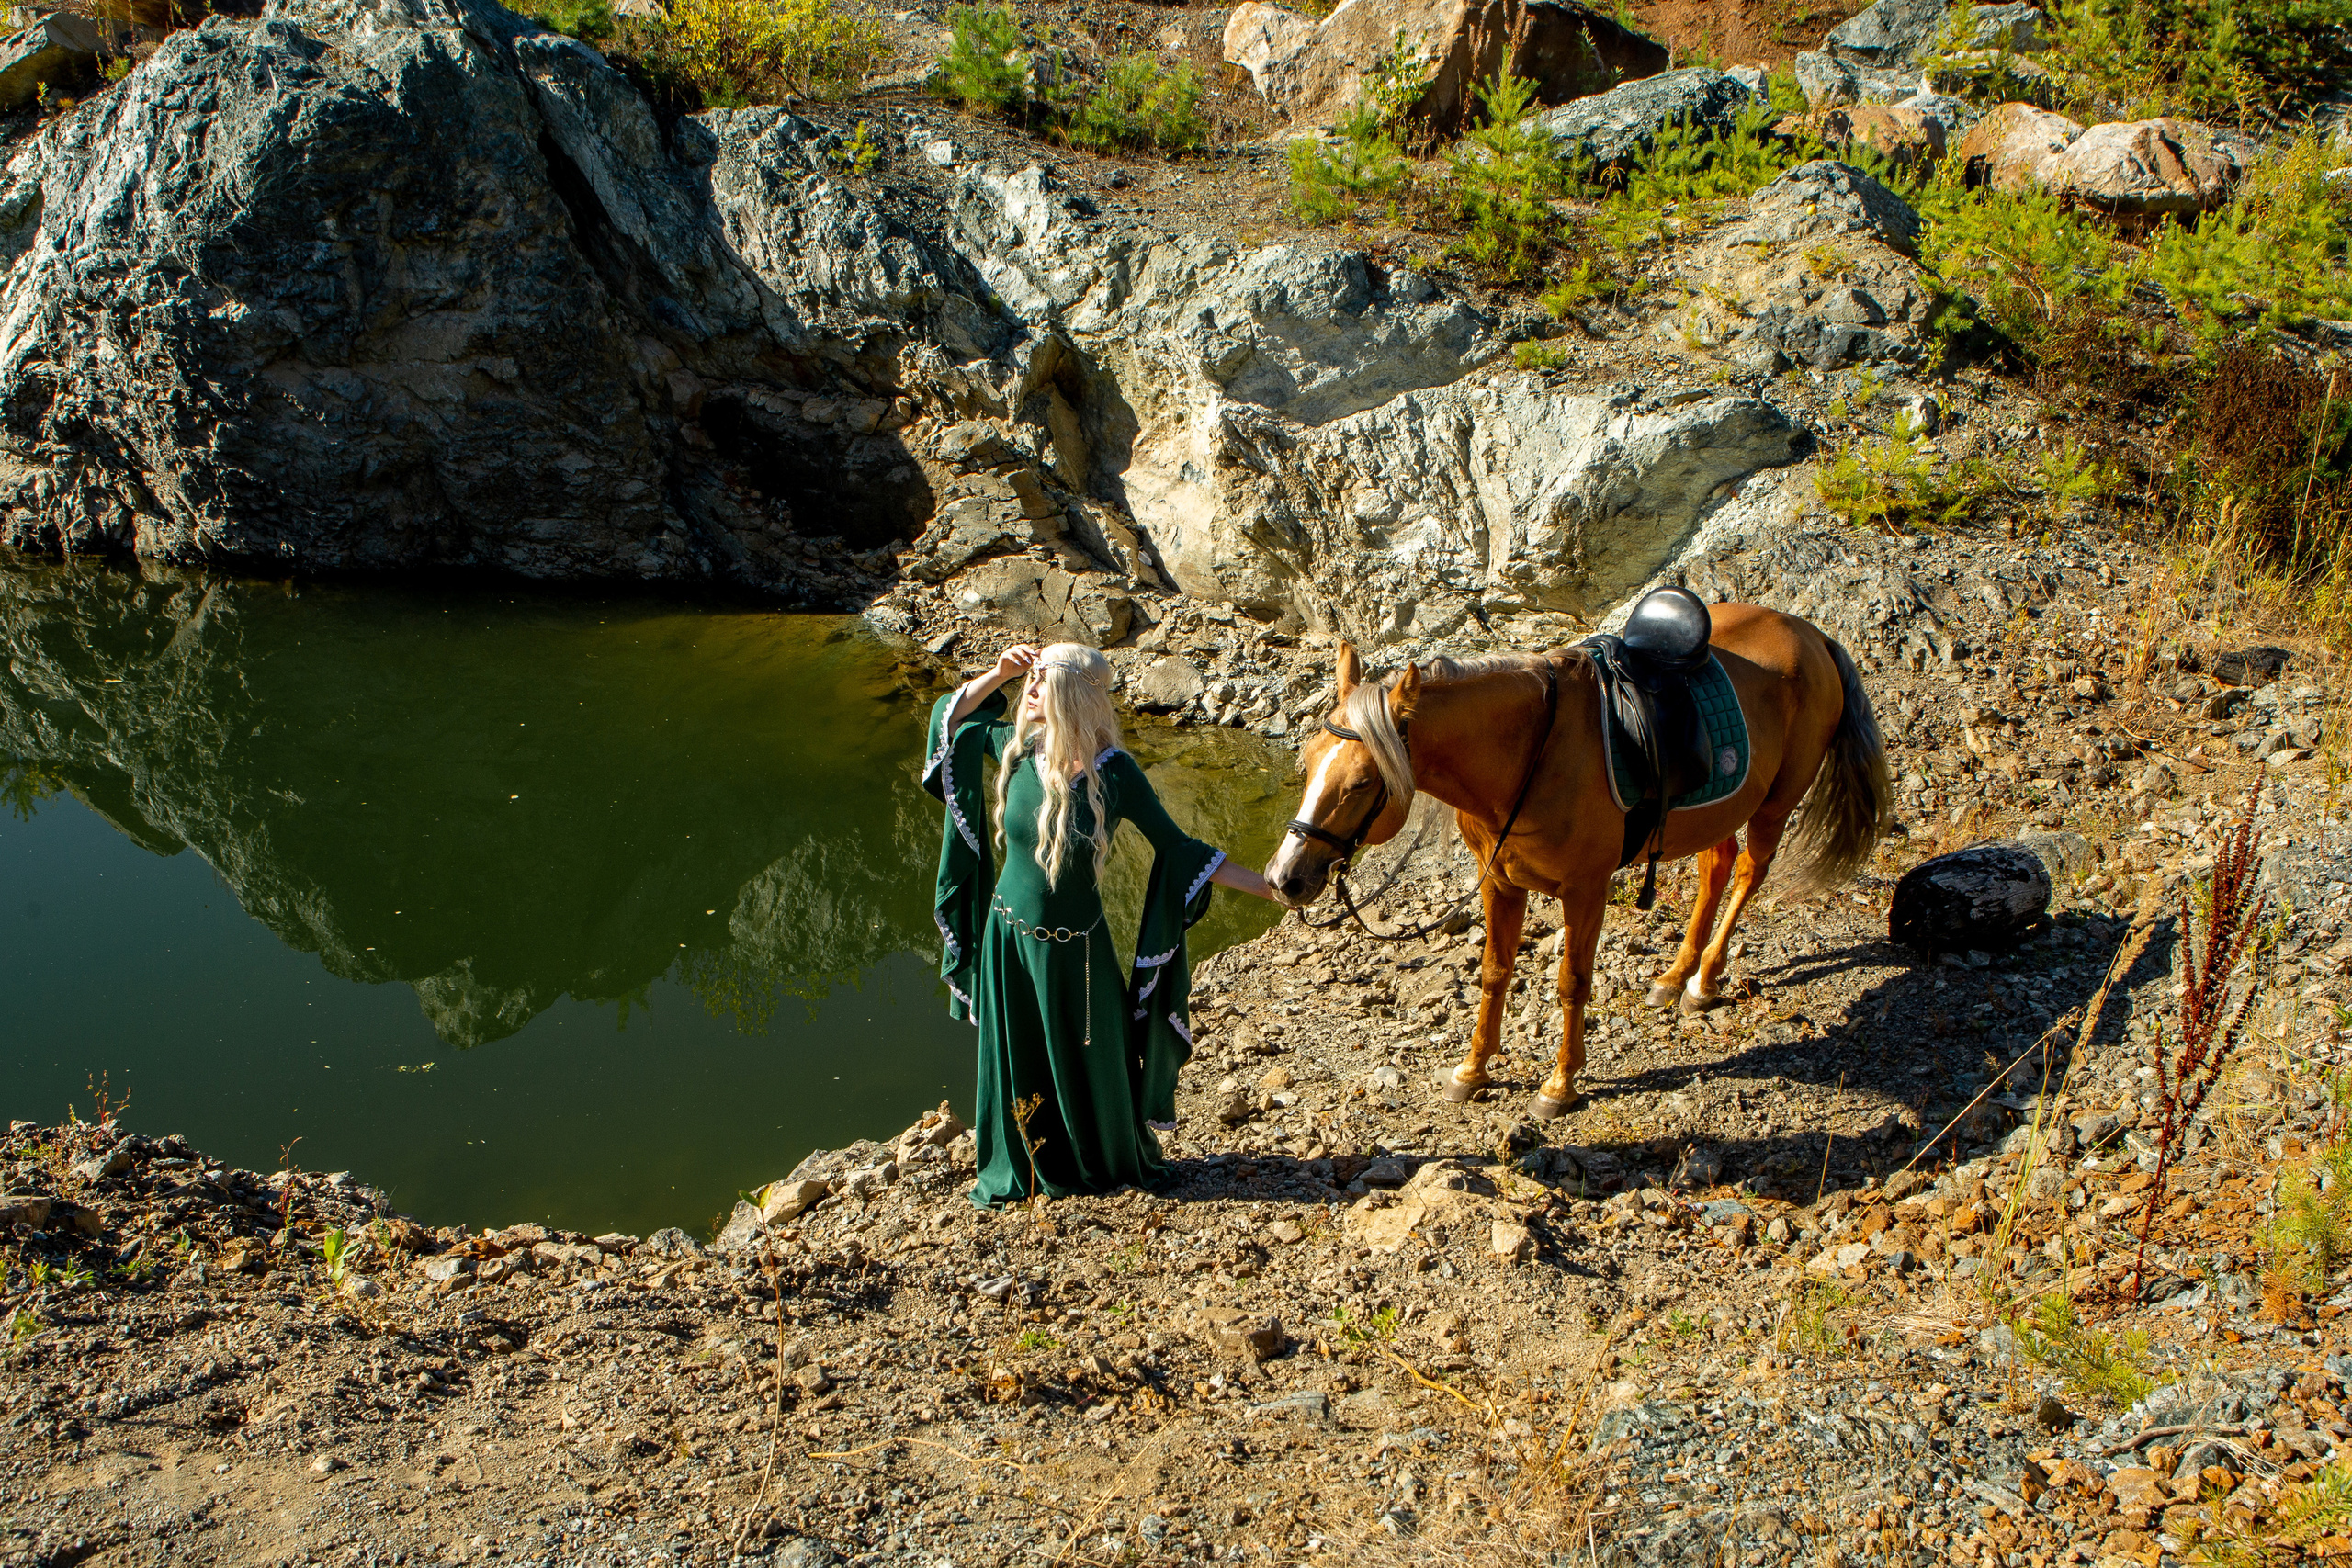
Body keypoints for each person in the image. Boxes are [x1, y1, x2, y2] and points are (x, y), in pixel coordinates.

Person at [922, 641, 1278, 1206]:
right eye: (1030, 679)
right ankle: (1026, 1164)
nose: (1030, 690)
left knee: (1095, 1057)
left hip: (1078, 954)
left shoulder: (1115, 773)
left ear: (1071, 697)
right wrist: (997, 674)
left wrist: (1267, 886)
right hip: (1007, 941)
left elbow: (1179, 849)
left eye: (1042, 681)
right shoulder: (1016, 750)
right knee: (1020, 1055)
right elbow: (951, 720)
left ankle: (1100, 1159)